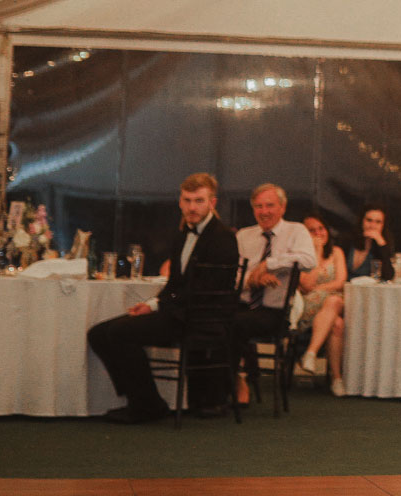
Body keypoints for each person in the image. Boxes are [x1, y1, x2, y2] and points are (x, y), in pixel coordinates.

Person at [86, 172, 239, 423]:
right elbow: (176, 284)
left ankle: (146, 406)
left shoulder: (223, 238)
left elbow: (202, 291)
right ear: (180, 202)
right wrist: (152, 304)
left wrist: (163, 306)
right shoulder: (182, 234)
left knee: (119, 333)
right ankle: (142, 398)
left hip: (199, 319)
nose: (191, 207)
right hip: (179, 312)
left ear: (212, 203)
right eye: (187, 200)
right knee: (98, 334)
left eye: (198, 201)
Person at [229, 183, 317, 407]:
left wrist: (270, 264)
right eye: (258, 206)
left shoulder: (296, 231)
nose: (264, 211)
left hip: (274, 312)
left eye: (269, 205)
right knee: (215, 320)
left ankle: (238, 382)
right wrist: (252, 279)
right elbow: (232, 276)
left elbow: (308, 260)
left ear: (282, 207)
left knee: (234, 324)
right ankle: (228, 381)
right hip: (243, 304)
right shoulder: (244, 236)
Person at [296, 215, 349, 395]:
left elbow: (341, 282)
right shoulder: (300, 257)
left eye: (321, 228)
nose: (319, 233)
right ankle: (337, 379)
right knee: (337, 318)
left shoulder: (337, 252)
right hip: (307, 308)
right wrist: (316, 253)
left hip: (330, 305)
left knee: (335, 311)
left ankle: (311, 353)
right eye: (312, 230)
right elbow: (306, 285)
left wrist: (318, 289)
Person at [345, 204, 393, 280]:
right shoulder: (347, 240)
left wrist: (381, 243)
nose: (372, 225)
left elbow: (388, 276)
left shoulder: (381, 247)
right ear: (362, 221)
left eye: (378, 222)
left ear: (383, 225)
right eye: (369, 220)